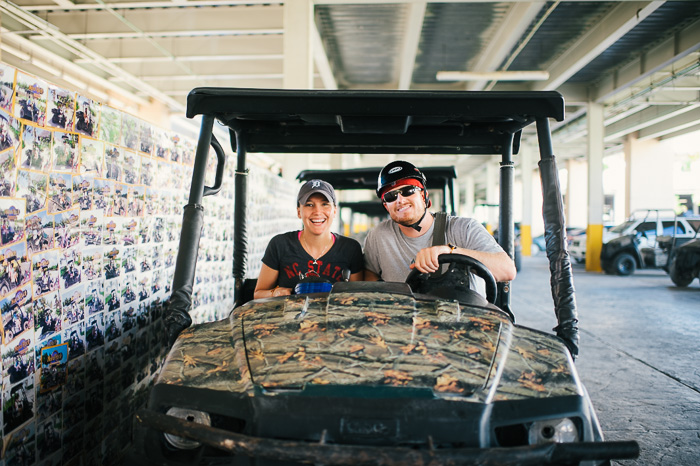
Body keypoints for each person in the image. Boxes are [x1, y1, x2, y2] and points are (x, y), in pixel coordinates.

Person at [364, 161, 516, 289]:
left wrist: (451, 252)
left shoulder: (465, 229)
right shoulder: (378, 236)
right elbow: (369, 274)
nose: (400, 200)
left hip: (461, 318)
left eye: (408, 190)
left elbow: (507, 271)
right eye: (391, 196)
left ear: (423, 195)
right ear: (386, 206)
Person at [254, 179, 364, 299]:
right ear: (299, 212)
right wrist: (276, 293)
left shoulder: (350, 249)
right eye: (309, 205)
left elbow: (357, 298)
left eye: (325, 204)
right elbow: (258, 294)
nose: (317, 211)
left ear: (334, 211)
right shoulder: (280, 245)